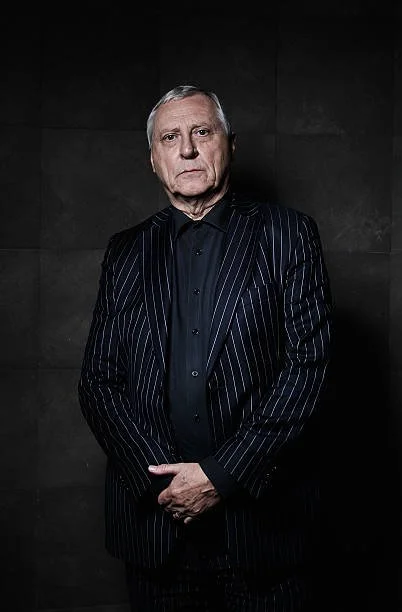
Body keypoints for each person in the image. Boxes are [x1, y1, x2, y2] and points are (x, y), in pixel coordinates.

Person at [78, 84, 333, 611]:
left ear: (229, 144)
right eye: (170, 138)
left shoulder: (288, 234)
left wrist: (221, 477)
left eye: (201, 131)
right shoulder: (124, 252)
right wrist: (165, 484)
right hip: (157, 532)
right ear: (154, 159)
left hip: (264, 530)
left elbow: (308, 370)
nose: (188, 149)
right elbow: (99, 383)